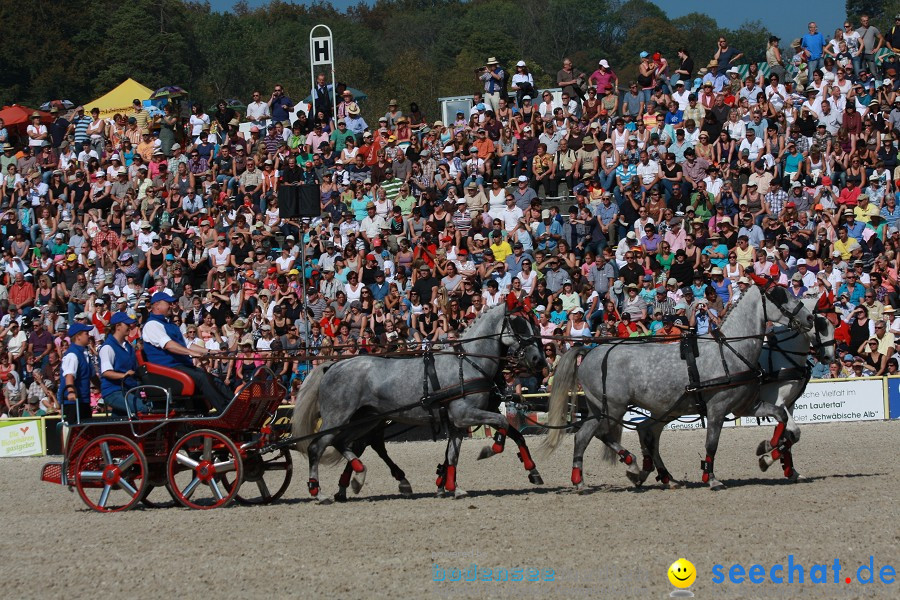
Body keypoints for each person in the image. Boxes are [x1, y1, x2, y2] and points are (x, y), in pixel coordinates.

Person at [141, 291, 232, 413]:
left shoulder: (171, 325)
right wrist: (190, 352)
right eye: (168, 303)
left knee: (214, 379)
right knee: (201, 376)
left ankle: (235, 405)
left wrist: (210, 351)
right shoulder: (152, 325)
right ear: (157, 305)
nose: (172, 305)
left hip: (180, 367)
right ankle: (226, 411)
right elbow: (169, 345)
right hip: (167, 370)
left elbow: (188, 344)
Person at [99, 312, 145, 416]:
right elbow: (106, 372)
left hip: (128, 390)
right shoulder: (108, 347)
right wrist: (124, 375)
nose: (130, 327)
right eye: (127, 324)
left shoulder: (127, 346)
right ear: (118, 326)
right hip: (113, 392)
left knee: (120, 421)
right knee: (143, 408)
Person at [58, 322, 95, 423]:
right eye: (86, 333)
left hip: (83, 400)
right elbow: (69, 375)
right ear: (78, 337)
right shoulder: (72, 355)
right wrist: (71, 392)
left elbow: (92, 376)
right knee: (73, 431)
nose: (89, 335)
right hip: (72, 402)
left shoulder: (84, 353)